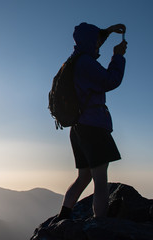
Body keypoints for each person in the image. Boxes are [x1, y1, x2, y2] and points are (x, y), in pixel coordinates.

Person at [58, 22, 127, 219]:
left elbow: (91, 41)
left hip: (78, 128)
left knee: (83, 176)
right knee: (100, 178)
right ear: (90, 41)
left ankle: (64, 216)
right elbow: (110, 81)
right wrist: (118, 56)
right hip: (93, 126)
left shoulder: (71, 61)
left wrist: (109, 31)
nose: (99, 43)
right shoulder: (86, 62)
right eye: (97, 39)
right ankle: (100, 222)